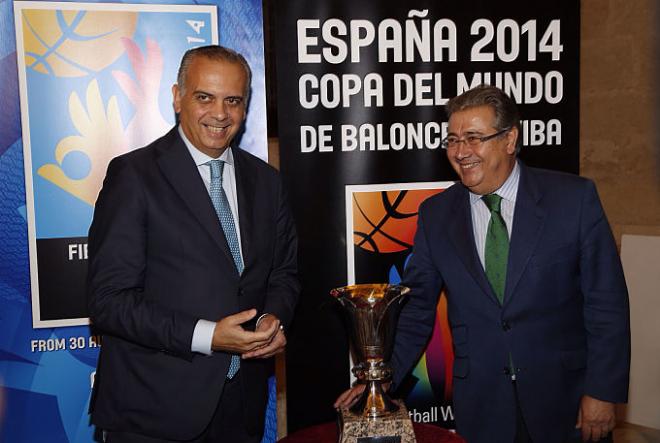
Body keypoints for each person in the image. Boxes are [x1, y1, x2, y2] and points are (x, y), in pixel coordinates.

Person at [336, 85, 630, 443]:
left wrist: (602, 390)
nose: (461, 152)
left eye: (474, 138)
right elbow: (416, 310)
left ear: (510, 139)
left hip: (565, 402)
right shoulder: (435, 215)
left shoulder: (574, 199)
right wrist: (380, 379)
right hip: (483, 408)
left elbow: (606, 303)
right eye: (453, 140)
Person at [87, 45, 300, 442]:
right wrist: (207, 335)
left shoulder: (266, 181)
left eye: (233, 101)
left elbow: (283, 272)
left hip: (242, 410)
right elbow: (108, 301)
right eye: (205, 97)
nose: (220, 114)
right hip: (154, 414)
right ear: (176, 97)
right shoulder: (134, 176)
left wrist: (274, 319)